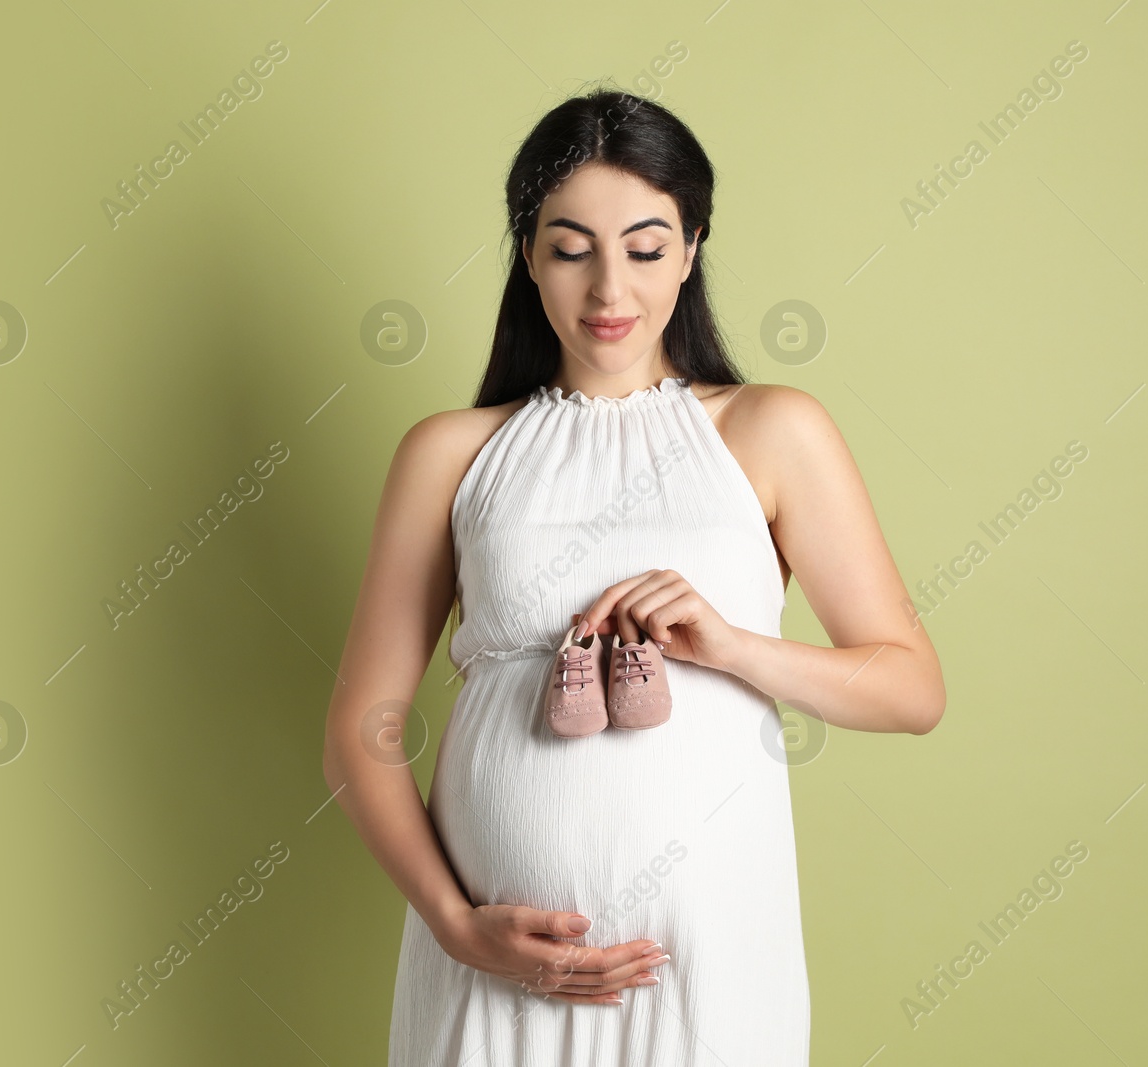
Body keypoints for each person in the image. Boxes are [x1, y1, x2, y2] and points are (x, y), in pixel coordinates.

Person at [322, 85, 946, 1066]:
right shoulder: (447, 454)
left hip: (707, 967)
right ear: (527, 254)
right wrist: (454, 922)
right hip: (492, 965)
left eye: (646, 248)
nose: (610, 290)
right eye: (571, 248)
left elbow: (913, 690)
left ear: (693, 246)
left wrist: (734, 645)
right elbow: (360, 730)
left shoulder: (770, 431)